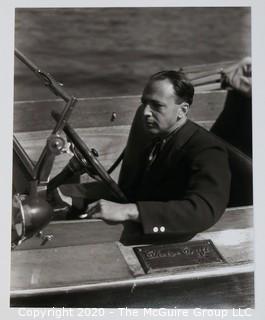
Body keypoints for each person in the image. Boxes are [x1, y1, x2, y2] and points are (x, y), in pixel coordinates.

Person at [59, 70, 231, 242]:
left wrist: (128, 211)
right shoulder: (155, 135)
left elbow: (203, 211)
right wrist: (75, 201)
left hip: (163, 237)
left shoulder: (207, 149)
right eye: (144, 103)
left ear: (182, 110)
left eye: (157, 106)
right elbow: (134, 192)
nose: (145, 112)